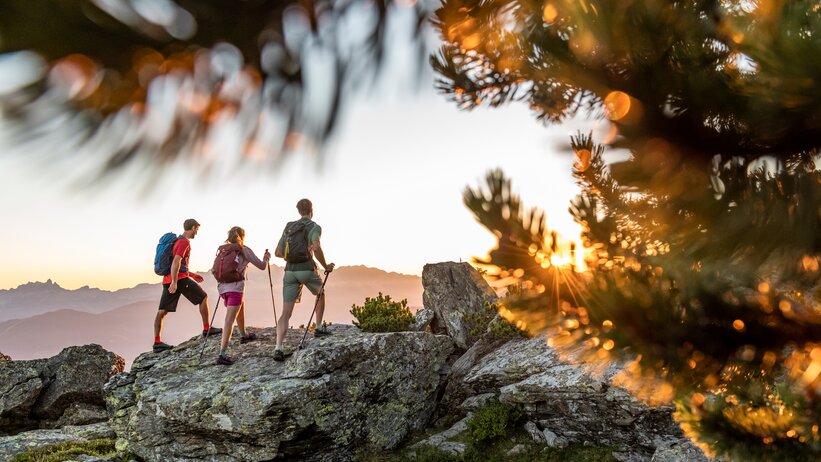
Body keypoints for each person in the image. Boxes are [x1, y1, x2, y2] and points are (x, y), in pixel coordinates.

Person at [273, 198, 335, 361]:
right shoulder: (314, 227)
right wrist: (325, 265)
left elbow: (278, 252)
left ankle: (278, 347)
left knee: (285, 314)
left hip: (289, 271)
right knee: (320, 293)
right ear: (311, 210)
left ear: (298, 211)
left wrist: (292, 256)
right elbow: (316, 246)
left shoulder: (289, 227)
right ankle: (319, 327)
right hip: (306, 269)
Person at [153, 219, 221, 353]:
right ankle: (207, 329)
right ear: (193, 227)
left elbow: (177, 264)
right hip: (178, 280)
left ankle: (157, 343)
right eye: (197, 229)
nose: (197, 232)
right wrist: (175, 281)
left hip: (169, 280)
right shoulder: (184, 242)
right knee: (203, 298)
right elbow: (176, 262)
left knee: (162, 311)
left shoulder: (177, 241)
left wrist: (191, 275)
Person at [214, 226, 271, 365]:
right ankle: (222, 354)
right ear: (242, 236)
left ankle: (244, 334)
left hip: (222, 288)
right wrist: (266, 258)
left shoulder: (223, 250)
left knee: (240, 307)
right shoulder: (244, 249)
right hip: (235, 289)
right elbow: (262, 266)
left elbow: (215, 269)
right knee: (229, 320)